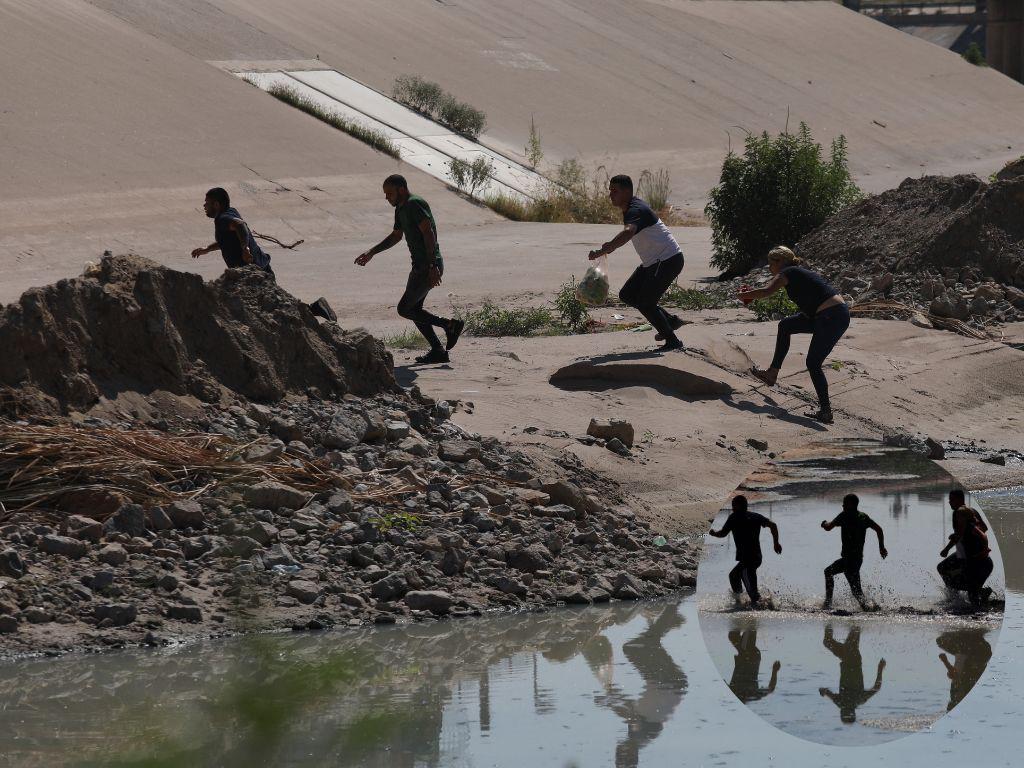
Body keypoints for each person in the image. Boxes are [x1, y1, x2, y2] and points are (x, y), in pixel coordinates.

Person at [355, 175, 463, 365]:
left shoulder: (414, 204)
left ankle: (449, 325)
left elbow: (429, 234)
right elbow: (396, 236)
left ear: (402, 190)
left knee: (404, 308)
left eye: (389, 193)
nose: (386, 197)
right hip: (420, 266)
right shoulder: (401, 209)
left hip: (427, 266)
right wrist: (372, 252)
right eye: (385, 194)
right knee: (414, 309)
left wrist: (432, 266)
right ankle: (438, 350)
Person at [740, 245, 850, 424]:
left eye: (770, 263)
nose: (769, 268)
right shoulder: (796, 273)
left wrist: (743, 295)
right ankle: (772, 373)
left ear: (780, 262)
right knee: (786, 325)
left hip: (832, 316)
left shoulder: (789, 271)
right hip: (826, 315)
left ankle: (826, 411)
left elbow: (767, 292)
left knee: (813, 363)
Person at [192, 187, 336, 321]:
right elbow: (227, 240)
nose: (204, 206)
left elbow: (240, 226)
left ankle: (316, 308)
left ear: (216, 205)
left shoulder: (223, 219)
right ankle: (316, 308)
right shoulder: (231, 212)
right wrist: (207, 249)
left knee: (279, 311)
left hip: (254, 274)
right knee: (279, 308)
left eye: (207, 203)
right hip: (259, 269)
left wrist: (245, 248)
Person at [587, 175, 685, 351]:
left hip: (667, 260)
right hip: (654, 262)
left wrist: (606, 249)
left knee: (646, 302)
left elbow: (628, 232)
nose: (611, 195)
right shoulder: (631, 208)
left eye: (615, 191)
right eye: (610, 191)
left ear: (627, 191)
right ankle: (670, 321)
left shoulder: (635, 210)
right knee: (628, 294)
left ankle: (672, 341)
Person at [709, 495, 782, 606]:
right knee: (734, 575)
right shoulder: (755, 516)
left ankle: (755, 603)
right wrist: (776, 544)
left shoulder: (734, 517)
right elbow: (773, 525)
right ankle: (741, 602)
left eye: (733, 505)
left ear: (738, 506)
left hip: (748, 560)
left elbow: (723, 533)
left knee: (748, 584)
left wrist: (713, 533)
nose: (732, 507)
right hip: (756, 557)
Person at [821, 493, 887, 610]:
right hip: (856, 559)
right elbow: (879, 529)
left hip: (849, 560)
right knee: (853, 589)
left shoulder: (844, 516)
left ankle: (829, 604)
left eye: (844, 503)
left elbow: (829, 527)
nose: (842, 505)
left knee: (855, 591)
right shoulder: (863, 517)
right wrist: (881, 547)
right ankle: (870, 608)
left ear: (850, 504)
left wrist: (823, 523)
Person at [819, 624, 885, 724]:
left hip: (849, 659)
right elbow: (826, 692)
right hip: (850, 660)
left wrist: (880, 669)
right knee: (852, 634)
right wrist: (823, 692)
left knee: (829, 641)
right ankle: (834, 618)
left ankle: (832, 619)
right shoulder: (844, 702)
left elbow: (877, 688)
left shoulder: (858, 701)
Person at [938, 489, 994, 606]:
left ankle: (974, 595)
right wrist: (965, 533)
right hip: (969, 557)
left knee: (972, 595)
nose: (949, 502)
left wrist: (947, 549)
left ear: (959, 500)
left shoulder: (959, 513)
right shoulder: (971, 512)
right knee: (943, 568)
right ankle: (956, 599)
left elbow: (982, 534)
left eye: (952, 500)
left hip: (977, 560)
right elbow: (984, 528)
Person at [727, 624, 781, 704]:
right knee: (749, 629)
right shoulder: (751, 695)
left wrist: (775, 671)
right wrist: (774, 671)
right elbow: (771, 689)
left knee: (733, 635)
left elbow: (771, 689)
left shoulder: (733, 693)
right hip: (749, 656)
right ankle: (752, 618)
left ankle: (751, 619)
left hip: (749, 656)